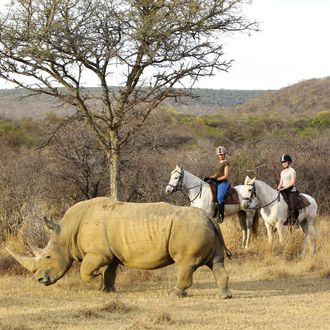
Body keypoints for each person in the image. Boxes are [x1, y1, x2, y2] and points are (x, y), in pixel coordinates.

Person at [277, 154, 299, 227]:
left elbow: (292, 183)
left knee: (292, 206)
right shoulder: (282, 172)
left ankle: (295, 221)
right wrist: (278, 188)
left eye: (285, 162)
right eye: (282, 162)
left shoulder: (292, 171)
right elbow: (281, 182)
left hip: (291, 190)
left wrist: (284, 188)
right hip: (283, 190)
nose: (284, 163)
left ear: (289, 162)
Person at [210, 146, 230, 222]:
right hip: (216, 182)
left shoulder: (226, 163)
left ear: (224, 154)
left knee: (219, 197)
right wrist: (210, 178)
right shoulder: (218, 163)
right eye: (219, 154)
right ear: (217, 155)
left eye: (222, 154)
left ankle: (221, 216)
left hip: (223, 183)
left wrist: (216, 179)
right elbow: (216, 174)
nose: (220, 156)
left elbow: (226, 176)